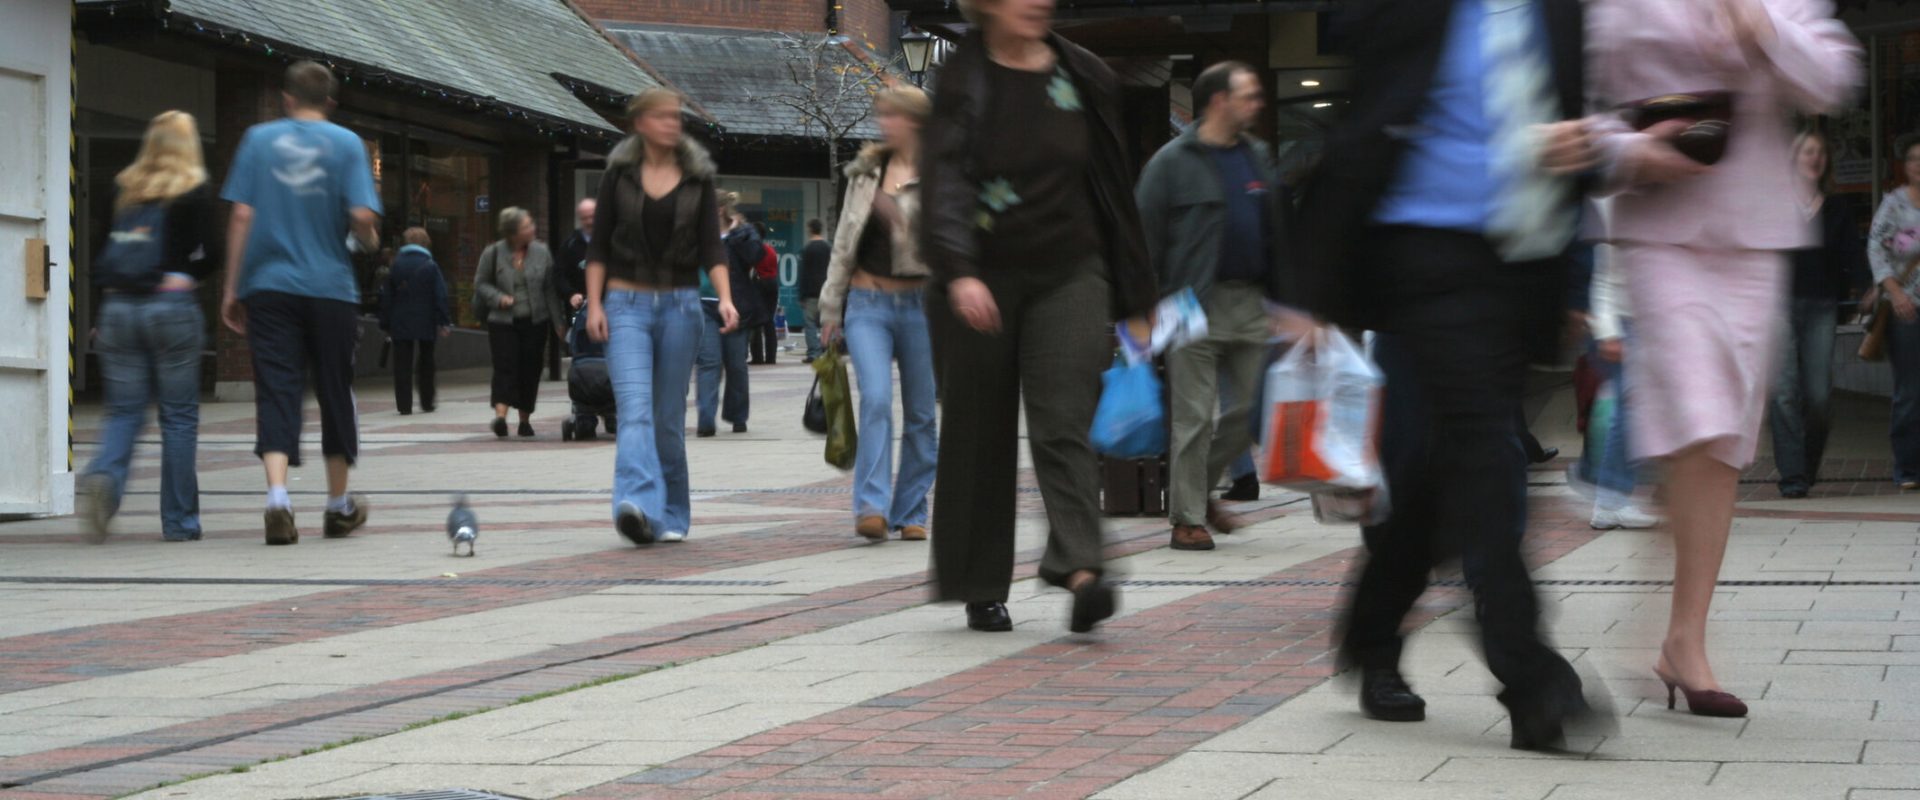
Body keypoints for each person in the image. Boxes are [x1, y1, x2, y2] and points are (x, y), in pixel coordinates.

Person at [1301, 0, 1599, 750]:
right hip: (1420, 255)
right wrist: (1311, 290)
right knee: (1484, 455)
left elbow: (1570, 126)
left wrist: (1569, 286)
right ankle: (1531, 677)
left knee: (1443, 477)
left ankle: (1370, 636)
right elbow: (1359, 123)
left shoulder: (1559, 13)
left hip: (1516, 261)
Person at [1592, 0, 1858, 717]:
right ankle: (1675, 631)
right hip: (1661, 228)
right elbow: (1579, 105)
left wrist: (1761, 26)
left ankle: (1682, 636)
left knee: (1721, 442)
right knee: (1697, 410)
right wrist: (1629, 152)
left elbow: (1831, 78)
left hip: (1751, 239)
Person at [920, 0, 1158, 635]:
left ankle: (1082, 569)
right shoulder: (962, 75)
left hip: (1071, 269)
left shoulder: (1085, 75)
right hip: (980, 273)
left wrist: (1136, 298)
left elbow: (1113, 185)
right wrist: (959, 268)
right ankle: (979, 582)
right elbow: (943, 179)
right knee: (978, 432)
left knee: (1064, 421)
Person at [220, 61, 381, 546]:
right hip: (330, 287)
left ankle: (277, 499)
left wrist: (232, 288)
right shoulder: (348, 144)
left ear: (286, 98)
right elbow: (360, 217)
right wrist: (369, 235)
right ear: (330, 101)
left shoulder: (256, 139)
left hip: (268, 286)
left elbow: (242, 214)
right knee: (335, 389)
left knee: (276, 389)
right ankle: (336, 505)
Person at [1135, 60, 1291, 553]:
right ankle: (1186, 518)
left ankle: (1197, 490)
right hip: (1188, 306)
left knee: (1254, 409)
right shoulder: (1170, 163)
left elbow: (1277, 231)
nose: (1257, 104)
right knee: (1194, 416)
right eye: (1248, 95)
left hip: (1250, 301)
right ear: (1219, 101)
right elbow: (1142, 242)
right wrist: (1142, 313)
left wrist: (1291, 301)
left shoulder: (1259, 156)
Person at [585, 87, 739, 545]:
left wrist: (726, 298)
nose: (673, 123)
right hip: (625, 305)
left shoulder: (697, 177)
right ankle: (637, 506)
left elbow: (712, 246)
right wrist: (594, 304)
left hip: (680, 306)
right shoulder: (619, 175)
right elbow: (599, 247)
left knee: (667, 420)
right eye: (663, 116)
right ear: (640, 123)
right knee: (634, 412)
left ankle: (672, 512)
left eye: (677, 116)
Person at [76, 110, 221, 544]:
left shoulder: (123, 186)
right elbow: (212, 252)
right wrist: (186, 275)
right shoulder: (192, 188)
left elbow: (103, 250)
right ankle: (179, 522)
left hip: (119, 308)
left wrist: (107, 312)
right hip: (170, 307)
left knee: (123, 410)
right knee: (177, 418)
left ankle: (105, 475)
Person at [819, 85, 938, 544]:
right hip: (867, 304)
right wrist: (831, 307)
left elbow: (948, 244)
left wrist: (901, 217)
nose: (885, 123)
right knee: (875, 400)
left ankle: (911, 508)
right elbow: (843, 245)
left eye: (894, 115)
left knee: (922, 413)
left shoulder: (941, 174)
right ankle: (870, 506)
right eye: (882, 115)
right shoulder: (865, 173)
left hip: (922, 306)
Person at [1773, 130, 1861, 498]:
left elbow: (1851, 254)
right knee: (1784, 394)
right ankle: (1792, 477)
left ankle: (1806, 466)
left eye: (1820, 153)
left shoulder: (1836, 207)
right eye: (1808, 152)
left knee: (1820, 397)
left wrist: (1865, 286)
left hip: (1821, 306)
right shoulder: (1773, 203)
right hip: (1776, 306)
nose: (1815, 158)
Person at [1577, 201, 1661, 529]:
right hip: (1622, 324)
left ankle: (1603, 488)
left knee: (1634, 410)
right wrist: (1608, 332)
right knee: (1630, 409)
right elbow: (1602, 280)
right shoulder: (1613, 205)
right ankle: (1609, 497)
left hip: (1649, 323)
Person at [474, 207, 567, 438]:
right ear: (513, 233)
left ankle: (524, 420)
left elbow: (549, 290)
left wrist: (558, 322)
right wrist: (499, 298)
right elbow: (481, 283)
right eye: (527, 226)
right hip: (502, 321)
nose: (532, 228)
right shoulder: (493, 253)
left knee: (530, 369)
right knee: (505, 367)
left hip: (535, 321)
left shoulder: (542, 252)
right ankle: (501, 418)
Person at [1866, 132, 1920, 491]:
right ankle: (1908, 468)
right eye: (1915, 158)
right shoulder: (1894, 204)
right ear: (1905, 165)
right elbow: (1876, 249)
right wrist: (1895, 291)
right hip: (1906, 309)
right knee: (1910, 390)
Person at [697, 195, 759, 435]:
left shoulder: (744, 232)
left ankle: (737, 416)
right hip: (703, 303)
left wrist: (735, 234)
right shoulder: (698, 233)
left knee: (736, 364)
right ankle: (705, 419)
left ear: (720, 209)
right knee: (708, 361)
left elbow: (755, 256)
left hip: (735, 304)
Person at [378, 227, 450, 416]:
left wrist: (385, 323)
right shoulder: (430, 265)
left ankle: (404, 405)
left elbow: (387, 296)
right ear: (425, 243)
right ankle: (427, 402)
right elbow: (440, 295)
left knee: (402, 363)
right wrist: (444, 321)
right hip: (426, 320)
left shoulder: (396, 265)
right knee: (427, 360)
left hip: (400, 320)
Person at [747, 221, 781, 364]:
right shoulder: (771, 250)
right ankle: (771, 357)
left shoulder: (755, 249)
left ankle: (758, 357)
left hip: (759, 283)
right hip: (772, 283)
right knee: (769, 321)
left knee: (756, 322)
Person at [556, 198, 595, 314]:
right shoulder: (569, 245)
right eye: (585, 218)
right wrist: (570, 294)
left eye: (592, 216)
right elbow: (558, 274)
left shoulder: (610, 241)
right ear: (580, 219)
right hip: (579, 307)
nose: (589, 221)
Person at [800, 219, 831, 362]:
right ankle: (827, 349)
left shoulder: (807, 249)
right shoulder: (828, 248)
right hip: (827, 290)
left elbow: (803, 273)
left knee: (810, 323)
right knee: (826, 321)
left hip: (811, 292)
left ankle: (813, 352)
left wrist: (801, 295)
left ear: (810, 229)